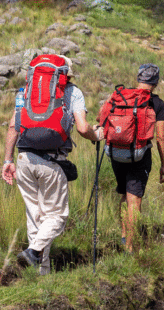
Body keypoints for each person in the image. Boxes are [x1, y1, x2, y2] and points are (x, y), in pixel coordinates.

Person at [2, 55, 103, 275]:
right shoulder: (73, 92)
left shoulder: (25, 91)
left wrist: (8, 160)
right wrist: (99, 135)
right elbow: (83, 128)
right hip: (52, 162)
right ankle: (33, 251)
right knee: (56, 216)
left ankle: (42, 276)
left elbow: (13, 127)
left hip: (24, 160)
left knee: (35, 219)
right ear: (66, 74)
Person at [105, 64, 164, 253]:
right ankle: (131, 248)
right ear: (155, 83)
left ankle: (124, 237)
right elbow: (161, 136)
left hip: (116, 152)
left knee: (124, 195)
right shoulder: (156, 103)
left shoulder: (120, 97)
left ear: (138, 79)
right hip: (139, 156)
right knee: (135, 201)